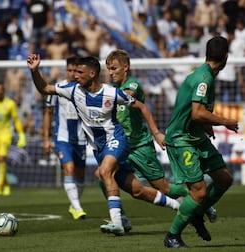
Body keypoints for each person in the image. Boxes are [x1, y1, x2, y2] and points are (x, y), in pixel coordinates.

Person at [27, 55, 180, 236]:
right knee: (138, 191)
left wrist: (156, 133)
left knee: (104, 172)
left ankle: (117, 223)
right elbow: (44, 88)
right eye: (74, 72)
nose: (75, 75)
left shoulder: (112, 93)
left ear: (92, 74)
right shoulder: (72, 90)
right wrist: (34, 71)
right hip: (100, 149)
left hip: (117, 140)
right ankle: (181, 207)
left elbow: (142, 107)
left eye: (79, 72)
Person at [103, 49, 217, 231]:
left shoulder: (132, 85)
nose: (110, 72)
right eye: (108, 68)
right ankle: (120, 218)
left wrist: (156, 133)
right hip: (119, 146)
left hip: (139, 146)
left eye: (114, 68)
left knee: (165, 188)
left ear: (126, 67)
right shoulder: (111, 90)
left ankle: (202, 202)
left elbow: (132, 99)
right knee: (103, 174)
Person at [163, 36, 239, 248]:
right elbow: (197, 113)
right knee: (199, 192)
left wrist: (206, 124)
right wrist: (224, 121)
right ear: (226, 56)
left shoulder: (204, 75)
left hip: (196, 136)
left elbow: (193, 110)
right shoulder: (204, 78)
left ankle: (195, 212)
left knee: (224, 179)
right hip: (181, 139)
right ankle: (172, 236)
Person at [43, 56, 88, 220]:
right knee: (68, 169)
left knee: (81, 176)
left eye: (75, 71)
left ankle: (74, 203)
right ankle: (77, 207)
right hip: (62, 138)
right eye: (69, 70)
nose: (72, 74)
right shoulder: (58, 88)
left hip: (82, 139)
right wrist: (46, 139)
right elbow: (48, 113)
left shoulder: (86, 89)